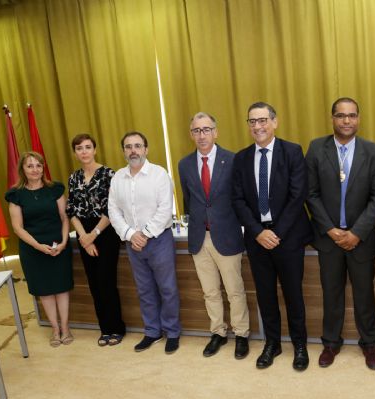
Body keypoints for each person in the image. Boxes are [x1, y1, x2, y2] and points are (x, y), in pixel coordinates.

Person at [305, 97, 375, 370]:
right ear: (332, 118)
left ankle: (370, 344)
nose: (346, 121)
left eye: (352, 115)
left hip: (360, 240)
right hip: (328, 239)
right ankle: (330, 342)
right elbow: (311, 193)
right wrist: (330, 229)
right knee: (332, 293)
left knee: (365, 295)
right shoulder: (317, 148)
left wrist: (356, 233)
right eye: (341, 115)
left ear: (359, 118)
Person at [232, 102, 312, 371]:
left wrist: (275, 233)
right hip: (257, 239)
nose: (258, 126)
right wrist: (258, 232)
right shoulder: (241, 158)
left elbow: (297, 194)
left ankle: (299, 345)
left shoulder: (292, 152)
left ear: (274, 122)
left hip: (287, 237)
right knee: (265, 295)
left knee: (293, 295)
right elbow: (238, 200)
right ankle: (272, 343)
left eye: (263, 120)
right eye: (252, 121)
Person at [179, 112, 250, 360]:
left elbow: (241, 199)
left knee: (234, 290)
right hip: (200, 237)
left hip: (228, 236)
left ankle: (241, 334)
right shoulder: (184, 164)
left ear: (215, 132)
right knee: (210, 292)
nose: (201, 135)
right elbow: (189, 201)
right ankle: (218, 332)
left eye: (206, 129)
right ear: (191, 135)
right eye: (197, 130)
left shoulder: (233, 160)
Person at [108, 131, 181, 354]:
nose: (133, 151)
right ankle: (152, 331)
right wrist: (131, 235)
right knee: (145, 290)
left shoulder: (159, 174)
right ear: (123, 151)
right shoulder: (118, 177)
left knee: (167, 288)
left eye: (138, 146)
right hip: (133, 243)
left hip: (159, 240)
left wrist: (145, 234)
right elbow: (113, 211)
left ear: (146, 149)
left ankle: (172, 332)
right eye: (128, 146)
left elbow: (165, 209)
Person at [5, 152, 73, 347]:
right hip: (32, 249)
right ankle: (55, 329)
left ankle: (66, 328)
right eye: (30, 166)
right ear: (22, 170)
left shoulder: (55, 189)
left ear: (43, 168)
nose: (35, 169)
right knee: (44, 290)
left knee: (61, 288)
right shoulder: (15, 195)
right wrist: (37, 246)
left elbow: (64, 217)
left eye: (38, 165)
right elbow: (17, 227)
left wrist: (63, 242)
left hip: (58, 245)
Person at [66, 134, 126, 347]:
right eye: (79, 148)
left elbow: (113, 209)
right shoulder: (73, 178)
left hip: (106, 232)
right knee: (94, 284)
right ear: (75, 152)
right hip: (83, 234)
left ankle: (117, 328)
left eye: (87, 147)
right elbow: (71, 210)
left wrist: (94, 235)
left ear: (95, 149)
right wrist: (84, 236)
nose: (84, 151)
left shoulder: (110, 174)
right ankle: (105, 329)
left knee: (106, 281)